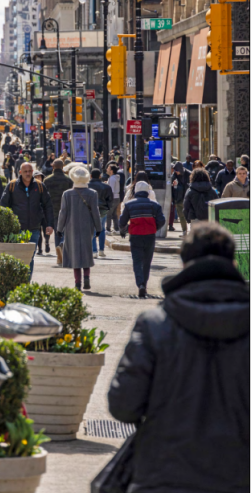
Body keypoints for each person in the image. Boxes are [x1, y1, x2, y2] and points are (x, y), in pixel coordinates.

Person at [107, 223, 249, 493]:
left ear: (185, 265)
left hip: (162, 476)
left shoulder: (155, 324)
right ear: (233, 263)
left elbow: (123, 405)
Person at [0, 162, 54, 279]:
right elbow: (3, 205)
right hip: (16, 229)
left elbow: (48, 205)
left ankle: (26, 282)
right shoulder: (12, 185)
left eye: (30, 171)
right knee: (16, 257)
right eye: (25, 171)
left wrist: (49, 224)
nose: (28, 174)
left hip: (34, 229)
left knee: (29, 257)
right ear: (20, 172)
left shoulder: (39, 186)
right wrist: (6, 224)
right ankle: (17, 281)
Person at [56, 166, 102, 291]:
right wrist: (99, 227)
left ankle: (77, 283)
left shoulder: (67, 194)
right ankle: (87, 278)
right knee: (86, 253)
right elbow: (95, 212)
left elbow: (63, 212)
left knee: (75, 254)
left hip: (71, 228)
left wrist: (59, 229)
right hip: (87, 227)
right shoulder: (92, 193)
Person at [119, 181, 166, 297]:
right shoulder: (155, 205)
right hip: (150, 235)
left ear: (136, 191)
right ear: (147, 191)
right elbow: (162, 220)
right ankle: (144, 284)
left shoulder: (129, 205)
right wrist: (154, 227)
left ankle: (140, 284)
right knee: (147, 262)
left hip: (135, 236)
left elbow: (121, 222)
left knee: (137, 261)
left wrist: (124, 229)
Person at [44, 159, 73, 265]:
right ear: (62, 167)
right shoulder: (68, 180)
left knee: (57, 231)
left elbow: (44, 197)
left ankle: (58, 253)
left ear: (53, 167)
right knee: (65, 231)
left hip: (52, 210)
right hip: (66, 209)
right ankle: (62, 246)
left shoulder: (47, 180)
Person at [88, 169, 113, 259]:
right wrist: (107, 208)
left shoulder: (87, 186)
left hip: (90, 210)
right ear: (100, 176)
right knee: (101, 229)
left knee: (93, 230)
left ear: (90, 176)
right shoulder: (106, 186)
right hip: (103, 210)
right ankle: (101, 250)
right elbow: (110, 199)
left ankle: (94, 250)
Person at [170, 161, 192, 234]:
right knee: (181, 215)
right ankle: (184, 230)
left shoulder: (189, 174)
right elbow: (170, 182)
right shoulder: (175, 175)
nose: (176, 172)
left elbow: (190, 185)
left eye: (177, 170)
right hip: (178, 198)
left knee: (190, 215)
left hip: (187, 198)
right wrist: (172, 183)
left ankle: (192, 230)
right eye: (175, 170)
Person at [34, 171, 51, 255]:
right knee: (38, 232)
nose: (38, 178)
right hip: (35, 213)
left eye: (39, 177)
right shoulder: (31, 188)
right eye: (36, 177)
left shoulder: (45, 187)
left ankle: (47, 242)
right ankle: (39, 248)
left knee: (45, 230)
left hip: (44, 213)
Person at [105, 164, 123, 235]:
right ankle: (116, 229)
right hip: (117, 197)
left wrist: (108, 199)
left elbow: (111, 190)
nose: (107, 169)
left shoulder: (112, 178)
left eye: (108, 168)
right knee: (114, 214)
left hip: (112, 198)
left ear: (111, 171)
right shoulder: (115, 178)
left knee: (109, 214)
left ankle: (108, 229)